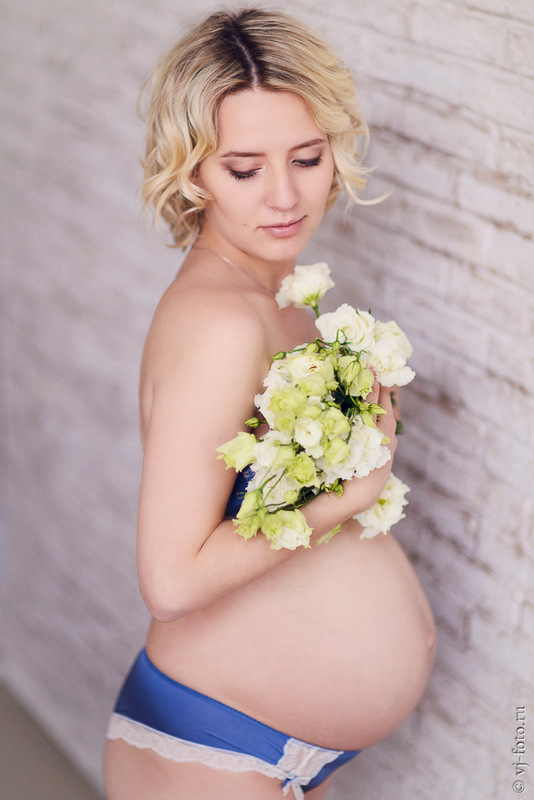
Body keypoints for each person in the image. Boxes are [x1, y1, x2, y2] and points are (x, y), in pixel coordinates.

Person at [103, 8, 436, 800]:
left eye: (308, 158)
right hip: (212, 747)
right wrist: (345, 498)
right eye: (244, 169)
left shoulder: (275, 298)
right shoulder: (221, 322)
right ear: (192, 171)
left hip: (266, 740)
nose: (285, 196)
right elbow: (170, 581)